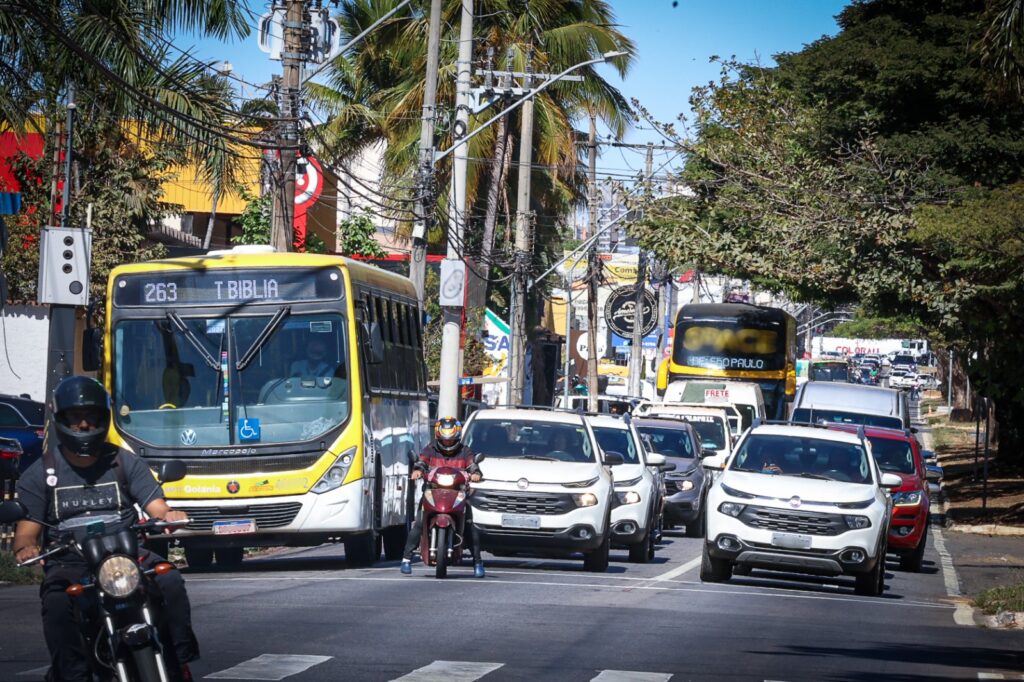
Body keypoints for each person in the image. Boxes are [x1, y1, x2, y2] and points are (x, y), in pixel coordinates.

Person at [13, 376, 199, 681]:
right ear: (61, 419)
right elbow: (26, 531)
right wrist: (26, 548)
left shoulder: (124, 462)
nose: (84, 426)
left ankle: (179, 660)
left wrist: (169, 515)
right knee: (57, 602)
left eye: (92, 417)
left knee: (170, 580)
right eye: (75, 418)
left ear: (104, 417)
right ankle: (74, 675)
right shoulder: (41, 473)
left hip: (127, 556)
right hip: (69, 561)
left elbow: (157, 506)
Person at [400, 417, 485, 578]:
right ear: (438, 437)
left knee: (469, 525)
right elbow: (422, 462)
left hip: (458, 493)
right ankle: (406, 559)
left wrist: (475, 473)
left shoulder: (465, 451)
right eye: (444, 440)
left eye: (451, 440)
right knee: (418, 522)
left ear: (457, 437)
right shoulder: (430, 449)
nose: (447, 443)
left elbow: (472, 464)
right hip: (433, 491)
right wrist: (417, 469)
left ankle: (478, 562)